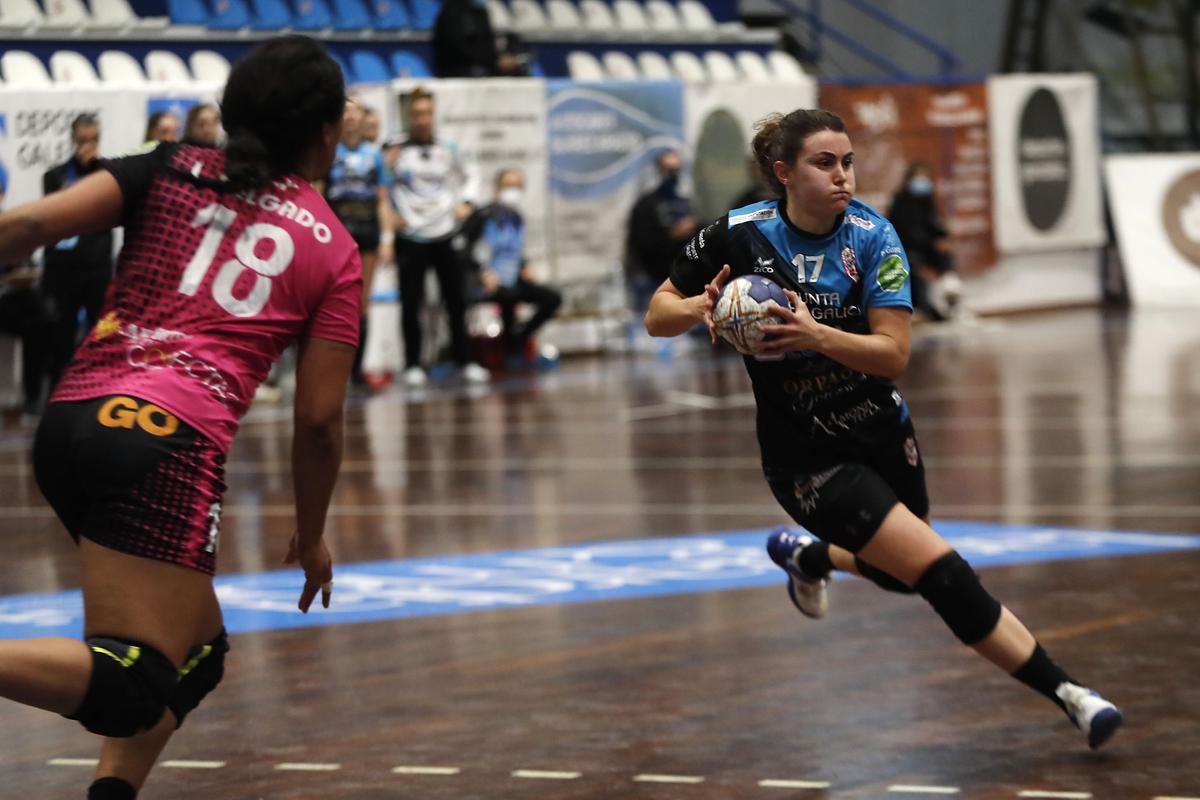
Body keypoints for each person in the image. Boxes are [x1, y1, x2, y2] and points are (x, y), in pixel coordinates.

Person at [644, 108, 1123, 750]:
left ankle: (809, 557)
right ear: (784, 173)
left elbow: (893, 354)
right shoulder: (737, 234)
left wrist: (815, 334)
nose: (842, 176)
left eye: (847, 162)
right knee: (941, 571)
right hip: (807, 457)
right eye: (824, 163)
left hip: (880, 429)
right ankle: (1072, 696)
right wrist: (699, 306)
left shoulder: (874, 237)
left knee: (899, 574)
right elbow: (657, 314)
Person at [0, 35, 361, 799]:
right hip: (163, 445)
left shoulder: (165, 167)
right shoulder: (333, 250)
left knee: (196, 655)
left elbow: (26, 227)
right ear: (327, 132)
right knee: (132, 681)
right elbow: (321, 422)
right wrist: (313, 528)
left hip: (69, 424)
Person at [392, 87, 489, 386]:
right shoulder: (395, 149)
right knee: (411, 302)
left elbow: (472, 175)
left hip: (444, 231)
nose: (422, 119)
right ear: (409, 116)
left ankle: (465, 360)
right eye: (417, 114)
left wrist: (467, 203)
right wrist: (392, 214)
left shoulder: (448, 146)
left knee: (456, 299)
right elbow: (381, 185)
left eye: (427, 113)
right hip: (410, 233)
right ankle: (413, 364)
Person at [41, 113, 115, 393]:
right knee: (61, 334)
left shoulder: (109, 173)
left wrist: (93, 169)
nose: (87, 145)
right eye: (82, 139)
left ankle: (99, 388)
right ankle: (57, 392)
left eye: (93, 140)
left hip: (96, 267)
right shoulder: (55, 176)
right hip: (63, 269)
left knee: (99, 333)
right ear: (73, 139)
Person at [323, 97, 394, 387]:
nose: (350, 118)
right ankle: (330, 370)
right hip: (337, 228)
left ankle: (357, 371)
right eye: (345, 113)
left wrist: (388, 238)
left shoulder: (374, 155)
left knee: (361, 303)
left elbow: (383, 200)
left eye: (354, 113)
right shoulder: (329, 151)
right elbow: (318, 192)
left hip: (367, 229)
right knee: (332, 300)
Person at [460, 167, 561, 361]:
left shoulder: (516, 217)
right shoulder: (483, 215)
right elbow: (463, 249)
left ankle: (519, 337)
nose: (512, 190)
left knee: (552, 298)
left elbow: (515, 250)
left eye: (517, 186)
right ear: (497, 188)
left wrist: (525, 267)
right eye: (508, 186)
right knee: (506, 297)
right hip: (485, 282)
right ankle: (499, 350)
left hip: (511, 278)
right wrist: (482, 273)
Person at [0, 172, 52, 419]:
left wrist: (26, 275)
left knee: (41, 319)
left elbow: (26, 264)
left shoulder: (10, 224)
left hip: (10, 297)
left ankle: (33, 398)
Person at [887, 161, 963, 321]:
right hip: (906, 249)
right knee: (914, 270)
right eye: (918, 177)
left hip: (926, 247)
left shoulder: (927, 200)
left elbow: (934, 225)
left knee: (945, 256)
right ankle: (924, 308)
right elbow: (896, 230)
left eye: (925, 177)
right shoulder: (900, 201)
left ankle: (949, 294)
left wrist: (942, 237)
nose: (922, 181)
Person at [626, 150, 698, 306]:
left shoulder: (685, 203)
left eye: (676, 170)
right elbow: (640, 242)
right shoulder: (645, 205)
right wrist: (672, 235)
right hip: (654, 277)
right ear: (658, 170)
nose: (673, 175)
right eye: (668, 169)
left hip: (684, 277)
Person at [431, 0, 522, 78]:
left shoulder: (482, 10)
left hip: (486, 67)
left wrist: (504, 58)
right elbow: (457, 47)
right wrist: (494, 61)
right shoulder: (451, 11)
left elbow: (488, 42)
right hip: (458, 70)